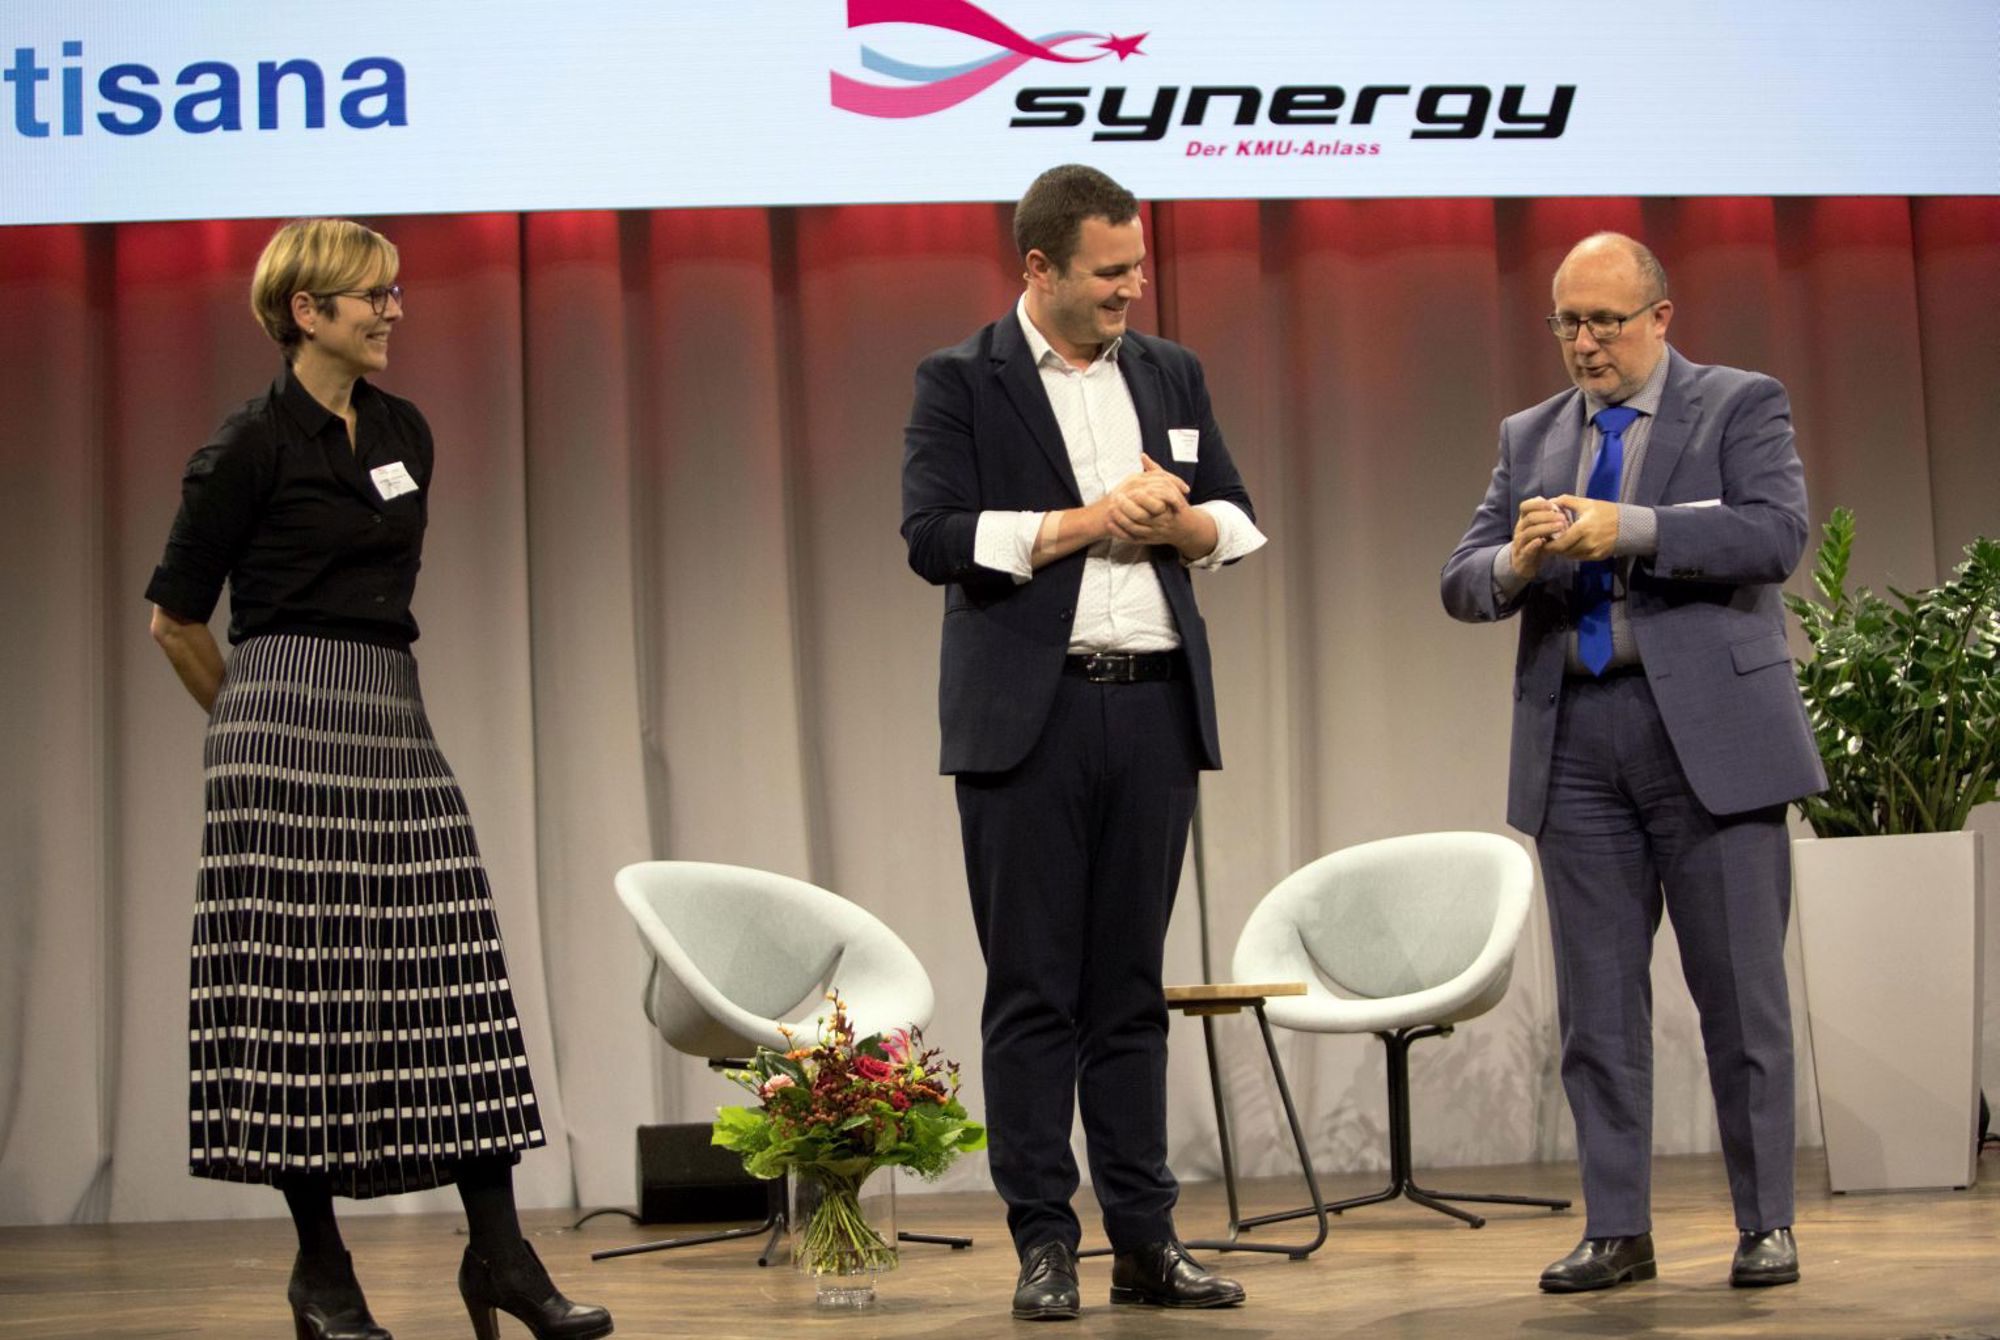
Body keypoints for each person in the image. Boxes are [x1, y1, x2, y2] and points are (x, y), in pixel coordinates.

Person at [146, 219, 612, 1340]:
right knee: (298, 1000)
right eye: (372, 295)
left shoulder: (405, 431)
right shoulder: (247, 445)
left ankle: (499, 1258)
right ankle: (323, 1277)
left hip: (390, 712)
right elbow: (174, 620)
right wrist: (255, 722)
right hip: (280, 724)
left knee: (453, 979)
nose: (393, 310)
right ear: (305, 310)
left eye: (394, 292)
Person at [901, 164, 1265, 1320]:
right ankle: (1044, 1241)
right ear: (1039, 267)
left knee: (1128, 993)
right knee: (1033, 993)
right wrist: (1088, 521)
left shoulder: (1168, 370)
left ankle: (1146, 1240)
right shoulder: (961, 379)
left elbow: (1236, 517)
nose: (1130, 288)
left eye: (1137, 266)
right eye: (1109, 272)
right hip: (1031, 718)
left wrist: (1182, 521)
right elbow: (932, 535)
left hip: (1152, 708)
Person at [1441, 232, 1825, 1292]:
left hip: (1710, 739)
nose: (1584, 343)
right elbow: (1460, 576)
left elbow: (1773, 535)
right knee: (1597, 1012)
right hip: (1576, 742)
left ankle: (1764, 1221)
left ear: (1659, 317)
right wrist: (1513, 560)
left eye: (1604, 321)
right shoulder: (1529, 434)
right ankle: (1617, 1228)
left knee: (1739, 998)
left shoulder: (1738, 403)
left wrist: (1633, 527)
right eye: (1566, 322)